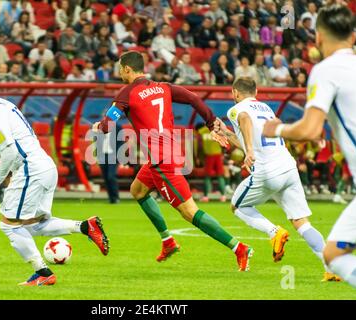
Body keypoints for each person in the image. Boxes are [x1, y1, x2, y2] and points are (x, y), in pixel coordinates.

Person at [92, 51, 253, 271]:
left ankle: (239, 248)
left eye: (120, 68)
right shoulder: (164, 87)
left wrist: (98, 127)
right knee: (137, 190)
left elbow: (108, 124)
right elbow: (194, 98)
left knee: (189, 212)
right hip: (162, 155)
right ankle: (167, 241)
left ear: (127, 70)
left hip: (162, 162)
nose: (119, 72)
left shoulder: (127, 92)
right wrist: (210, 122)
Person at [0, 74, 109, 286]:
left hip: (31, 169)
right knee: (33, 225)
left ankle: (43, 273)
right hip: (44, 165)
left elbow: (9, 151)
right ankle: (85, 227)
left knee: (8, 225)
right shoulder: (2, 104)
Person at [263, 5, 356, 290]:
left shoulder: (325, 70)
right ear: (353, 37)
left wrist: (276, 129)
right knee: (332, 254)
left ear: (317, 38)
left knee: (335, 256)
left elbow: (309, 129)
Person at [214, 77, 340, 281]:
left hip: (267, 171)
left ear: (235, 93)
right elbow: (249, 138)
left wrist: (251, 151)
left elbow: (245, 119)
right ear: (256, 91)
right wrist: (228, 134)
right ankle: (331, 268)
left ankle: (274, 232)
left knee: (237, 207)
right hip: (288, 168)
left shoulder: (236, 109)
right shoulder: (266, 108)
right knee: (301, 222)